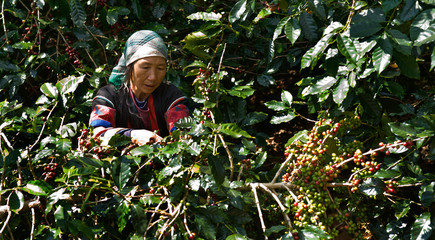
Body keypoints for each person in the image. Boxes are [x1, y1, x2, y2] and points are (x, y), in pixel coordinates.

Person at [89, 30, 190, 145]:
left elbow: (184, 134)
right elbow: (97, 135)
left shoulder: (170, 96)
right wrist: (132, 135)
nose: (153, 77)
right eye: (145, 67)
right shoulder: (109, 96)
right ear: (130, 66)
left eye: (160, 68)